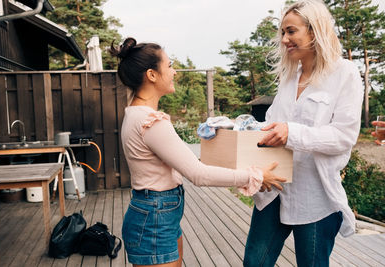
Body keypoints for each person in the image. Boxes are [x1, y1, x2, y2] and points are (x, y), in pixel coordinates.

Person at [110, 37, 286, 267]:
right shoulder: (150, 121)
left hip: (156, 213)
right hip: (155, 218)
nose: (174, 72)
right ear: (152, 75)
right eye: (169, 65)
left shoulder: (136, 114)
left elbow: (183, 161)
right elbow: (198, 175)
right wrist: (256, 176)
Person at [243, 1, 364, 266]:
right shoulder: (289, 77)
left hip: (315, 196)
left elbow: (343, 137)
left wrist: (291, 133)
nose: (284, 39)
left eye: (291, 31)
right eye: (283, 33)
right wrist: (240, 134)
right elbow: (272, 125)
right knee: (254, 262)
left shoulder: (346, 74)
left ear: (314, 30)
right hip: (275, 187)